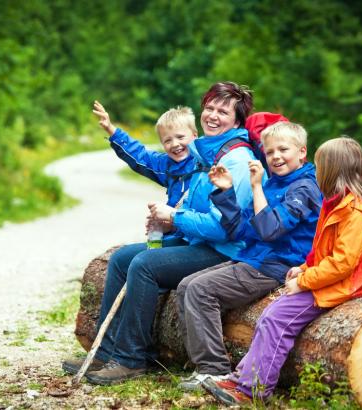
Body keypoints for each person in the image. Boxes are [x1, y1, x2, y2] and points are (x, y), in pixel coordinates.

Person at [62, 81, 261, 384]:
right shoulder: (207, 151)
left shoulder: (235, 159)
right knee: (123, 258)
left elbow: (222, 228)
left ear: (237, 120)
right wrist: (171, 220)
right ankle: (105, 351)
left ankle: (131, 359)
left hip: (226, 250)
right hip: (198, 240)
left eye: (223, 111)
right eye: (209, 107)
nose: (213, 115)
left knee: (145, 265)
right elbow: (159, 168)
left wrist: (175, 217)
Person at [203, 136, 362, 405]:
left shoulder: (359, 212)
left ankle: (251, 392)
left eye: (320, 166)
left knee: (276, 320)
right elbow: (323, 249)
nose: (318, 172)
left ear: (332, 170)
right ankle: (243, 377)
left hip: (341, 284)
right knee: (270, 314)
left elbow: (342, 264)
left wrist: (304, 282)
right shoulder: (338, 203)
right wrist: (302, 267)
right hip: (324, 278)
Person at [175, 121, 322, 391]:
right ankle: (201, 364)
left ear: (302, 152)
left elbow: (270, 230)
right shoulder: (274, 184)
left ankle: (214, 371)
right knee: (186, 285)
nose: (276, 156)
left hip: (277, 266)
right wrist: (226, 192)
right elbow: (240, 229)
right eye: (269, 152)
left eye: (283, 150)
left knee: (200, 289)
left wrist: (255, 187)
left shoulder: (304, 188)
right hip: (253, 257)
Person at [92, 101, 197, 209]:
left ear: (195, 136)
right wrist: (110, 129)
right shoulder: (166, 164)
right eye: (167, 140)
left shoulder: (206, 162)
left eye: (180, 137)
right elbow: (140, 155)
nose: (175, 144)